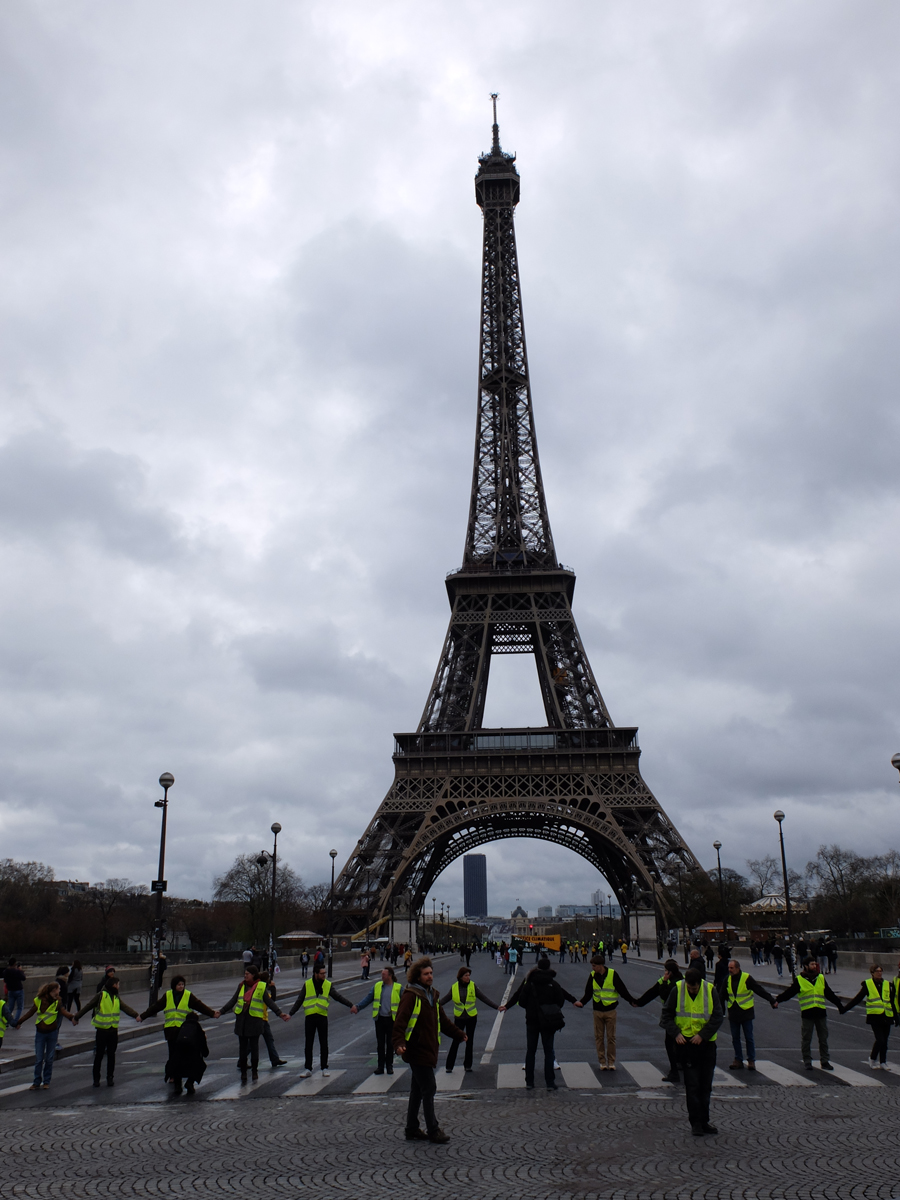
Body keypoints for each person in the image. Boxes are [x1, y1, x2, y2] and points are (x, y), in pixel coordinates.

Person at [393, 957, 467, 1143]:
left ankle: (411, 1128)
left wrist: (458, 1034)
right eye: (426, 974)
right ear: (417, 976)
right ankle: (433, 1129)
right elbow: (400, 1023)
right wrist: (399, 1043)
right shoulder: (411, 996)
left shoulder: (432, 995)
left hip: (428, 1048)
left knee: (417, 1090)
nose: (430, 976)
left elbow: (443, 1021)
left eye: (431, 973)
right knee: (429, 1088)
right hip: (417, 1049)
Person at [661, 967, 723, 1136]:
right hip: (686, 1045)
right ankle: (695, 1122)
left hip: (706, 1045)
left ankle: (704, 1121)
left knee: (706, 1086)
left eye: (694, 988)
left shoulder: (710, 990)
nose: (691, 990)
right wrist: (676, 1033)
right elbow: (665, 1015)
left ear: (700, 983)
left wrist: (703, 1035)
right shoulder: (678, 990)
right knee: (692, 1086)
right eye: (689, 987)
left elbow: (718, 1016)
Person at [508, 957, 577, 1090]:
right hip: (549, 1021)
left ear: (537, 967)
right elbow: (561, 997)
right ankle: (550, 1082)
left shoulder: (529, 982)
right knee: (549, 1051)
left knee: (531, 1051)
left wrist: (510, 1006)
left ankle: (529, 1082)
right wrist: (557, 1006)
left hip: (532, 1020)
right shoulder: (552, 982)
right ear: (549, 967)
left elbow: (520, 999)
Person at [140, 975, 219, 1083]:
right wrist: (143, 1016)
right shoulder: (167, 995)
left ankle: (179, 1074)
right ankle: (173, 1075)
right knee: (172, 1054)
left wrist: (212, 1013)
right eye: (179, 985)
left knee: (183, 1054)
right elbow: (156, 1007)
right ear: (174, 986)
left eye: (182, 984)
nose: (181, 987)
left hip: (183, 1031)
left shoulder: (188, 995)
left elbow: (199, 1006)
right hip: (171, 1030)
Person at [219, 965, 289, 1081]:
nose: (245, 976)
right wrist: (221, 1011)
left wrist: (280, 1013)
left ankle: (255, 1071)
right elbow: (233, 1000)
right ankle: (243, 1073)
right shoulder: (241, 986)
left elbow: (269, 1002)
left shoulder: (261, 987)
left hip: (255, 1021)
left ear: (253, 975)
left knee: (254, 1048)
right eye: (245, 974)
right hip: (242, 1021)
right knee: (243, 1048)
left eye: (247, 974)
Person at [289, 964, 357, 1077]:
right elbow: (299, 1000)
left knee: (323, 1043)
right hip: (310, 1017)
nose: (324, 975)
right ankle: (308, 1068)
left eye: (325, 973)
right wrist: (291, 1013)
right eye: (322, 973)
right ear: (315, 974)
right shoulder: (307, 984)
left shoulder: (327, 985)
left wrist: (351, 1005)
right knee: (308, 1044)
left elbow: (338, 997)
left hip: (322, 1017)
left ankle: (324, 1067)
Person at [74, 974, 142, 1086]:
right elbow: (88, 1006)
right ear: (114, 985)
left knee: (111, 1055)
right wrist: (77, 1017)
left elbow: (124, 1007)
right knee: (99, 1055)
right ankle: (96, 1079)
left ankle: (110, 1077)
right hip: (102, 1030)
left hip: (113, 1030)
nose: (119, 986)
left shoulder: (116, 997)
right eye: (118, 984)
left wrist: (136, 1015)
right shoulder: (101, 995)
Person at [573, 954, 637, 1071]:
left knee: (611, 1038)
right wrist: (581, 1003)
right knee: (599, 1037)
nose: (592, 968)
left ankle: (611, 1061)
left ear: (600, 965)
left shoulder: (612, 974)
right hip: (597, 1010)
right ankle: (602, 1061)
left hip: (610, 1010)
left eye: (594, 966)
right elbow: (588, 993)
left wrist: (631, 1001)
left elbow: (622, 990)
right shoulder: (592, 976)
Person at [778, 957, 843, 1070]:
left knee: (823, 1038)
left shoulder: (821, 977)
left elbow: (829, 993)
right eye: (812, 964)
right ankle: (807, 1060)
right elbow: (789, 993)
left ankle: (825, 1060)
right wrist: (777, 1000)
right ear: (806, 966)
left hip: (820, 1013)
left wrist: (839, 1005)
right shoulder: (799, 979)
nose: (814, 966)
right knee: (806, 1038)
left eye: (815, 964)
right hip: (807, 1014)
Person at [440, 967, 504, 1074]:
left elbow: (483, 998)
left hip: (471, 1017)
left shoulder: (472, 986)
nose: (468, 977)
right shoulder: (454, 987)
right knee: (456, 1041)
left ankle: (468, 1065)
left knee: (469, 1042)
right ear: (460, 977)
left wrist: (497, 1007)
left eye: (469, 975)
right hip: (459, 1018)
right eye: (466, 975)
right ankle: (449, 1066)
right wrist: (432, 1006)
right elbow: (444, 1000)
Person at [717, 959, 778, 1071]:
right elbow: (721, 995)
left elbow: (759, 990)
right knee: (735, 1038)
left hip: (746, 1012)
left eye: (731, 968)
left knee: (748, 1038)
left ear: (738, 968)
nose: (729, 970)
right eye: (729, 968)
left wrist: (771, 1000)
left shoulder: (746, 978)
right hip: (734, 1013)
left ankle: (751, 1060)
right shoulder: (727, 979)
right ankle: (738, 1060)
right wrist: (716, 1009)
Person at [17, 981, 77, 1090]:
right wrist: (19, 1022)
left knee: (49, 1059)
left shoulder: (57, 1001)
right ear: (54, 990)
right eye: (58, 989)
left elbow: (63, 1012)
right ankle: (36, 1081)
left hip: (52, 1032)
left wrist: (72, 1017)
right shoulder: (39, 1001)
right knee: (39, 1059)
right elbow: (30, 1012)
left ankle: (46, 1081)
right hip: (41, 1032)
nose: (59, 991)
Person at [635, 959, 684, 1083]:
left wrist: (639, 1003)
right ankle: (681, 1064)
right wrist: (639, 1002)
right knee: (680, 1043)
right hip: (683, 1017)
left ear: (670, 972)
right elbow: (652, 992)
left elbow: (660, 993)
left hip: (673, 1017)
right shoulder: (682, 980)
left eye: (666, 971)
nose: (664, 973)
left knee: (669, 1043)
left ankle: (674, 1071)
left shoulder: (671, 983)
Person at [842, 964, 896, 1069]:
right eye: (877, 971)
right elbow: (857, 999)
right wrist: (845, 1009)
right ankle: (872, 1058)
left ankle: (883, 1062)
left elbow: (891, 1002)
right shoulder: (868, 984)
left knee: (885, 1041)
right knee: (880, 1039)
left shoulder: (887, 984)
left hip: (887, 1016)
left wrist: (896, 1017)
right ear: (872, 973)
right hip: (875, 1016)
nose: (879, 973)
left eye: (881, 971)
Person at [356, 966, 403, 1074]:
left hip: (392, 1019)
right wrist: (358, 1007)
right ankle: (380, 1066)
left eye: (384, 975)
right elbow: (368, 998)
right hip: (380, 1019)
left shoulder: (398, 987)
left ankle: (389, 1066)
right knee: (380, 1044)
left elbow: (405, 1002)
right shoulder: (377, 986)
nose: (382, 976)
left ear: (390, 976)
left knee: (390, 1044)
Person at [168, 1011, 209, 1094]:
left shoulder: (180, 1028)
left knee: (176, 1065)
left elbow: (173, 1045)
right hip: (193, 1058)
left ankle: (178, 1085)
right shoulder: (197, 1028)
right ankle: (190, 1082)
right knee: (200, 1066)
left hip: (177, 1059)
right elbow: (204, 1050)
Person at [258, 972, 288, 1068]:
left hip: (261, 1018)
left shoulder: (259, 988)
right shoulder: (262, 990)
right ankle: (274, 1059)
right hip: (260, 1018)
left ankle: (274, 1059)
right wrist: (273, 988)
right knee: (257, 1042)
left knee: (268, 1040)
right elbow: (272, 1001)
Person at [3, 958, 26, 1027]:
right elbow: (23, 978)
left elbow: (5, 980)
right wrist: (20, 970)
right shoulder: (17, 971)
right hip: (19, 990)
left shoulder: (6, 971)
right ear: (15, 964)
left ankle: (7, 1021)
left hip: (10, 991)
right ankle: (15, 1022)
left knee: (10, 1007)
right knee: (19, 1007)